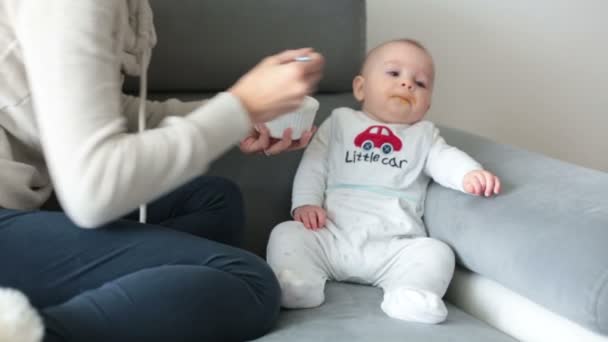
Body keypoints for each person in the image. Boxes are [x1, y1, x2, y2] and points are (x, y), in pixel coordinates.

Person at [0, 1, 324, 341]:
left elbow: (97, 108)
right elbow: (91, 196)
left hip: (30, 200)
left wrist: (238, 121)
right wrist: (240, 107)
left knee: (214, 199)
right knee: (249, 282)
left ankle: (107, 298)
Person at [266, 38, 500, 324]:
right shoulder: (340, 122)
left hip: (394, 245)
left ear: (427, 105)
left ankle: (410, 294)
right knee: (286, 233)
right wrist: (305, 203)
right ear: (361, 88)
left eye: (421, 83)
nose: (407, 84)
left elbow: (446, 159)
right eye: (394, 73)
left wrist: (469, 174)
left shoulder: (424, 135)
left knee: (437, 252)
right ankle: (297, 284)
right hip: (331, 235)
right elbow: (314, 165)